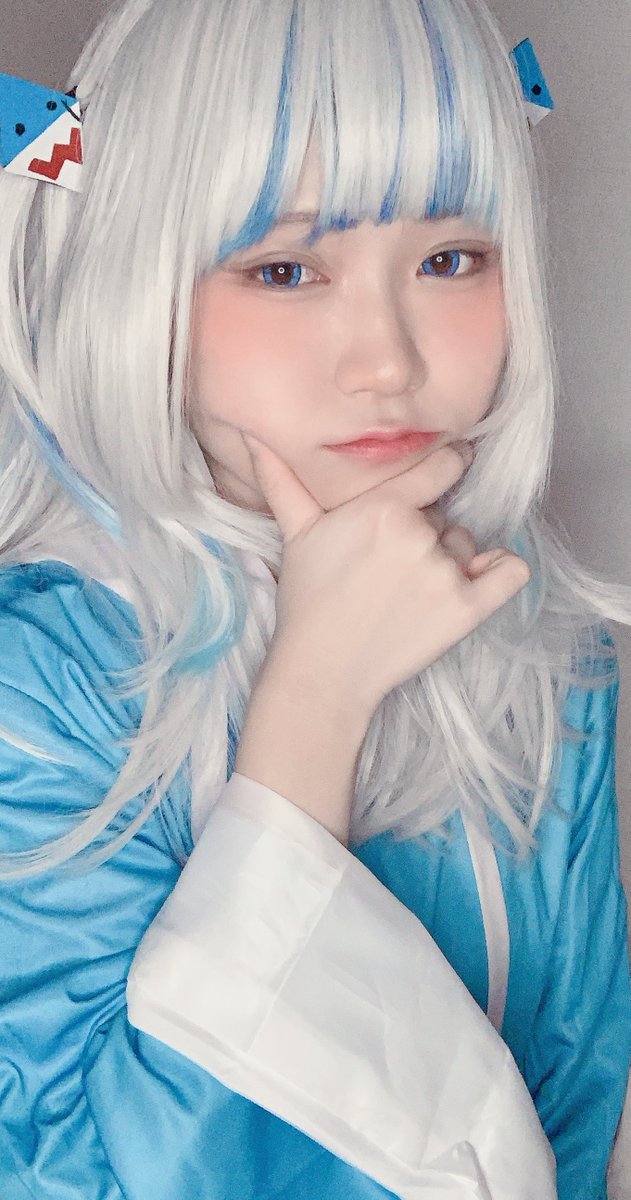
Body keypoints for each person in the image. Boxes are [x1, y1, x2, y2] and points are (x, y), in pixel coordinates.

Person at [0, 0, 630, 1196]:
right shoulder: (39, 684)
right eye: (284, 270)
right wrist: (314, 707)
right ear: (140, 280)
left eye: (450, 259)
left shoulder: (536, 641)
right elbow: (79, 1178)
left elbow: (567, 1119)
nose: (387, 359)